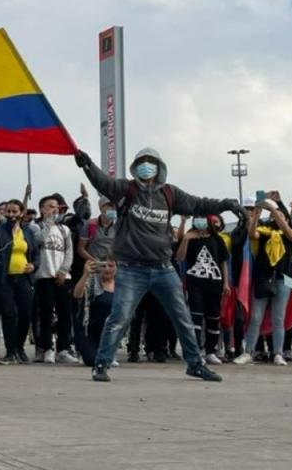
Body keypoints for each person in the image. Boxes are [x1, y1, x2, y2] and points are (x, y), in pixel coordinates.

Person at [75, 147, 242, 382]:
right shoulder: (126, 189)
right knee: (119, 317)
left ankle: (195, 364)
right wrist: (87, 164)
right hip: (132, 268)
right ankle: (101, 364)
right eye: (141, 162)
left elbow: (199, 205)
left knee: (182, 317)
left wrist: (225, 204)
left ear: (159, 166)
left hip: (163, 268)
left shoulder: (170, 194)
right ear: (135, 167)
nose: (146, 166)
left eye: (150, 162)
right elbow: (102, 182)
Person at [234, 197, 292, 366]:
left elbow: (291, 235)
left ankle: (278, 353)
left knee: (278, 318)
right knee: (256, 317)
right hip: (263, 277)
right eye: (274, 216)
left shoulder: (291, 233)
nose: (276, 218)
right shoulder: (265, 232)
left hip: (282, 279)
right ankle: (248, 352)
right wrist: (256, 215)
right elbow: (252, 234)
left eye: (280, 215)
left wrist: (274, 211)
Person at [0, 199, 41, 364]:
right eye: (8, 211)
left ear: (21, 213)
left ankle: (19, 347)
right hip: (4, 279)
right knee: (9, 314)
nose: (11, 215)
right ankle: (10, 351)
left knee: (25, 313)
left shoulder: (27, 232)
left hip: (24, 278)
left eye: (15, 212)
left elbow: (36, 253)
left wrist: (34, 265)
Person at [177, 216, 230, 365]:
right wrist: (186, 239)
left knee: (213, 318)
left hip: (214, 283)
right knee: (196, 318)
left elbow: (223, 262)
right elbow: (180, 257)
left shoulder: (217, 239)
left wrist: (226, 283)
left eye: (203, 219)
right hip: (195, 283)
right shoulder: (190, 238)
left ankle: (211, 351)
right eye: (197, 219)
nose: (200, 222)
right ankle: (195, 351)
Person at [33, 195, 77, 364]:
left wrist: (64, 270)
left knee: (65, 314)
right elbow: (38, 241)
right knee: (46, 315)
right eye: (50, 206)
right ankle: (47, 348)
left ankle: (63, 349)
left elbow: (69, 252)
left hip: (62, 277)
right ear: (43, 209)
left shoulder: (64, 230)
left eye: (57, 207)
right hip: (44, 276)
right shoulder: (36, 227)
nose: (55, 209)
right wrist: (48, 224)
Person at [72, 258, 116, 366]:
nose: (107, 269)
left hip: (109, 332)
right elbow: (77, 294)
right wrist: (85, 274)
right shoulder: (92, 281)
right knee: (93, 361)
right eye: (103, 266)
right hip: (88, 331)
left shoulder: (122, 285)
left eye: (110, 266)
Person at [78, 198, 118, 262]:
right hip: (94, 267)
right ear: (101, 208)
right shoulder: (90, 224)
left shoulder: (118, 227)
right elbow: (80, 249)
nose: (113, 208)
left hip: (111, 267)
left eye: (115, 206)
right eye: (109, 205)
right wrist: (94, 261)